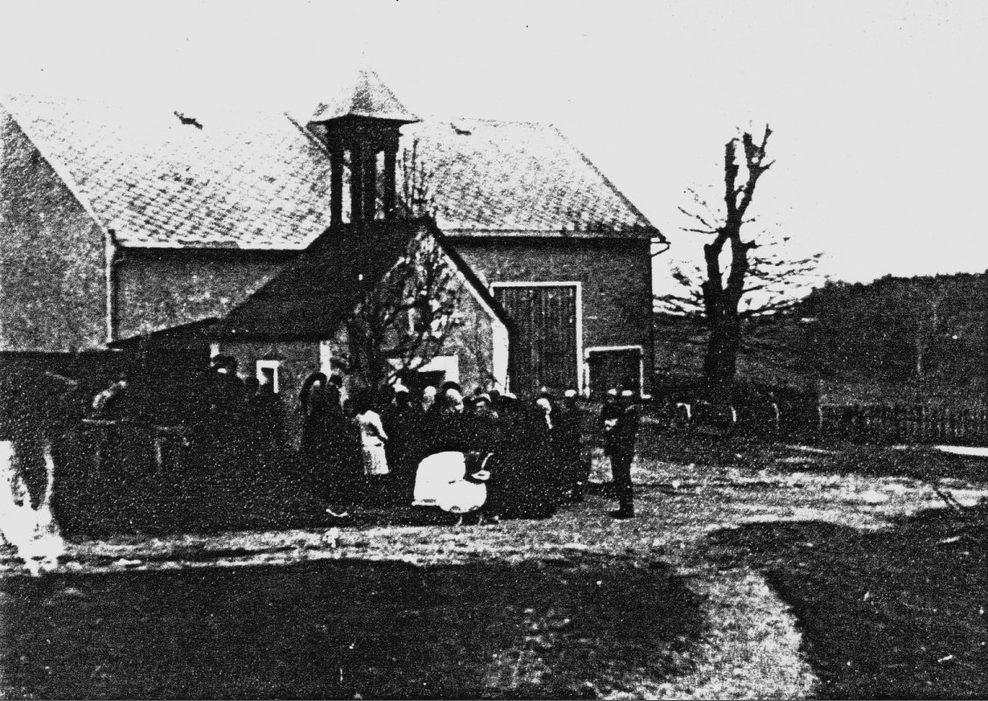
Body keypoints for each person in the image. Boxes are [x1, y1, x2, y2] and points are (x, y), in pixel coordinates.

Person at [609, 389, 641, 519]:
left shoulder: (630, 413)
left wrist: (614, 428)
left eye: (624, 398)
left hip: (623, 450)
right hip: (621, 450)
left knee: (623, 478)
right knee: (620, 478)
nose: (622, 400)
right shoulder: (626, 412)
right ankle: (624, 507)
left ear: (629, 399)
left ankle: (627, 508)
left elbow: (625, 433)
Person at [354, 389, 389, 505]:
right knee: (379, 475)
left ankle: (370, 498)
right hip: (376, 446)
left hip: (364, 446)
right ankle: (379, 499)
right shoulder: (373, 416)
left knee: (369, 474)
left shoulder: (358, 417)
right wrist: (387, 440)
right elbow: (380, 432)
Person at [554, 388, 585, 502]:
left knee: (573, 467)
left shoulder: (573, 412)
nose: (566, 401)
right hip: (567, 442)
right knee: (568, 467)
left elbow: (574, 429)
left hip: (572, 442)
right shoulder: (567, 412)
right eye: (566, 399)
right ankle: (572, 490)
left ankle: (575, 491)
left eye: (568, 399)